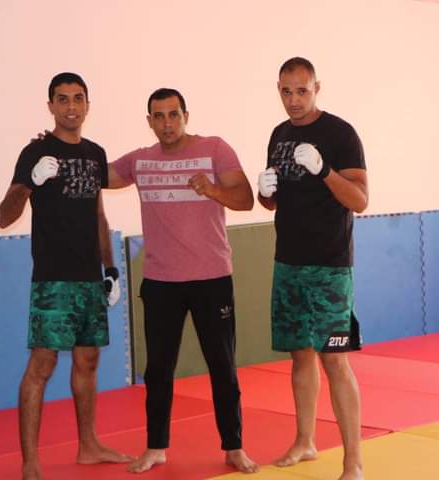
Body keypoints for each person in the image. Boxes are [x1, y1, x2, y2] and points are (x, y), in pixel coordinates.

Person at [107, 88, 259, 474]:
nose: (167, 123)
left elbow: (245, 199)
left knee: (222, 366)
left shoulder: (215, 148)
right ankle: (156, 447)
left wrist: (213, 190)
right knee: (158, 369)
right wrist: (60, 145)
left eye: (173, 114)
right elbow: (98, 174)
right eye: (159, 116)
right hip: (161, 281)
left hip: (211, 278)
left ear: (185, 116)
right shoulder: (139, 161)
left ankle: (234, 447)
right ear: (149, 122)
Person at [0, 72, 133, 480]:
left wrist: (110, 269)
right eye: (63, 99)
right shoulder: (34, 152)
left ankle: (89, 445)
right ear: (51, 106)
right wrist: (31, 182)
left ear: (87, 105)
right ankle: (30, 462)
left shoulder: (95, 153)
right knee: (42, 364)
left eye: (78, 98)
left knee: (88, 361)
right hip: (53, 279)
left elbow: (98, 214)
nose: (71, 106)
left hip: (90, 277)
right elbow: (4, 217)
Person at [257, 57, 368, 480]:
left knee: (334, 359)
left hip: (329, 266)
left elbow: (360, 200)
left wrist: (324, 170)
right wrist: (265, 193)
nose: (294, 100)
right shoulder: (279, 135)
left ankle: (353, 460)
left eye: (301, 91)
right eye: (286, 91)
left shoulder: (341, 133)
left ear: (316, 88)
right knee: (300, 356)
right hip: (288, 262)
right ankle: (305, 441)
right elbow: (274, 201)